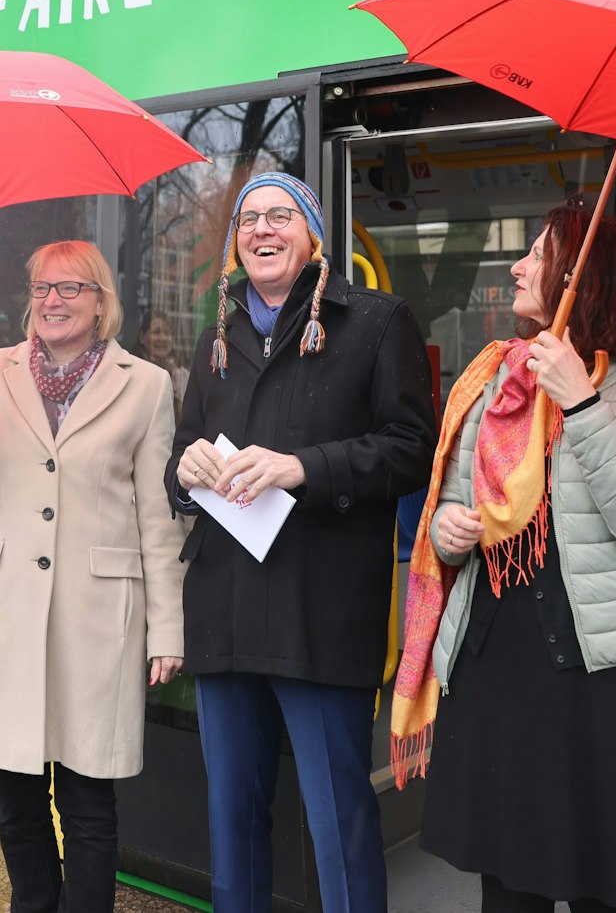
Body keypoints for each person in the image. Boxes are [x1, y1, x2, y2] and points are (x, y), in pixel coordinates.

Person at [396, 205, 616, 913]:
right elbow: (447, 506)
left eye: (537, 253)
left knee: (609, 889)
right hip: (498, 672)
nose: (518, 266)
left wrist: (584, 404)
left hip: (610, 682)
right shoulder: (498, 377)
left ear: (580, 278)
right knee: (507, 891)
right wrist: (449, 530)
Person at [167, 173, 435, 913]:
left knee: (340, 827)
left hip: (319, 618)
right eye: (248, 218)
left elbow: (413, 447)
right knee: (232, 828)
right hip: (225, 613)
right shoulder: (214, 336)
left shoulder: (377, 322)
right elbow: (184, 451)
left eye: (280, 214)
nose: (262, 229)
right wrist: (183, 467)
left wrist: (301, 468)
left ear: (313, 233)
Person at [0, 241, 186, 913]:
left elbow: (158, 518)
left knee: (88, 798)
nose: (53, 300)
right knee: (13, 796)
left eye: (71, 287)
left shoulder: (147, 384)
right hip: (7, 608)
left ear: (102, 300)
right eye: (42, 287)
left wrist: (168, 628)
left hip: (96, 616)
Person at [134, 313, 191, 422]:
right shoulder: (133, 371)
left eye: (167, 333)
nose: (162, 338)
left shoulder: (182, 376)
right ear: (142, 337)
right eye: (156, 332)